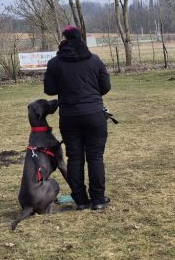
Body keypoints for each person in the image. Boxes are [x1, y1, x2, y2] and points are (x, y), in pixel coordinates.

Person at [44, 25, 112, 211]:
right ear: (81, 39)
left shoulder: (55, 63)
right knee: (95, 157)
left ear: (64, 39)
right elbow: (106, 86)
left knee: (74, 158)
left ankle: (81, 200)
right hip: (94, 114)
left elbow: (49, 89)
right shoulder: (94, 60)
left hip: (69, 116)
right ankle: (98, 199)